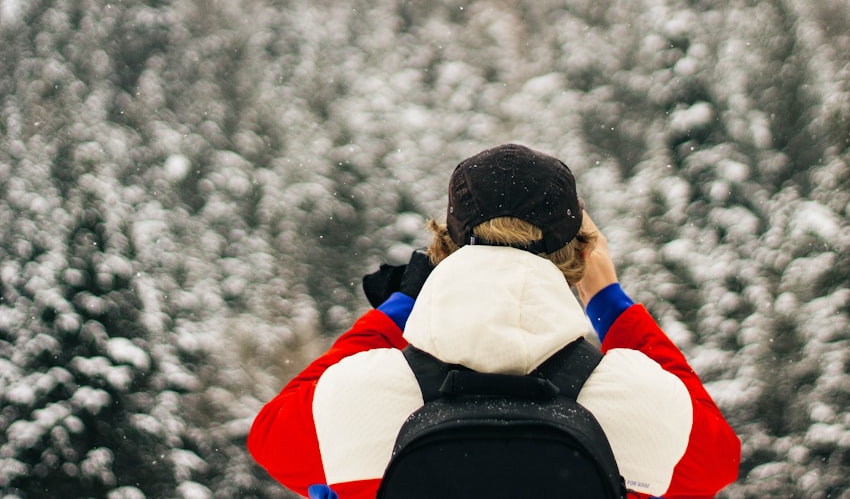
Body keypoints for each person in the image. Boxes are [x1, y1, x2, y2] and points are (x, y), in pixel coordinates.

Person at [248, 143, 740, 498]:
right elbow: (718, 460)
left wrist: (396, 307)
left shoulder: (356, 395)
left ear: (444, 244)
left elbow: (270, 438)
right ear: (581, 251)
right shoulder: (642, 402)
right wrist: (608, 299)